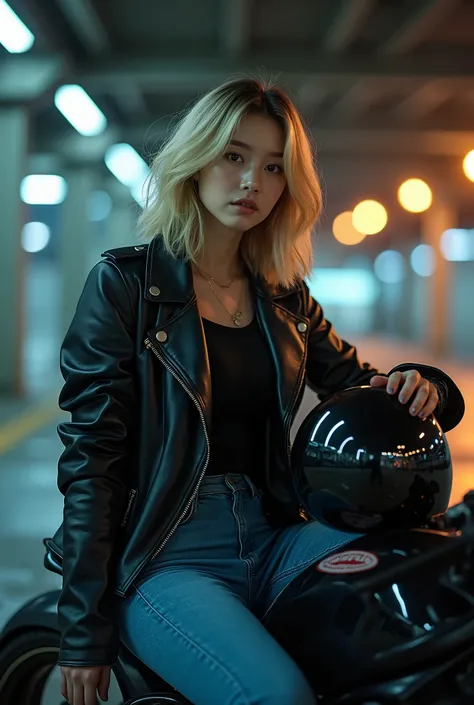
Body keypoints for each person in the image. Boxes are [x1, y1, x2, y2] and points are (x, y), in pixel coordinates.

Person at [56, 76, 462, 705]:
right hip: (169, 555)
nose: (252, 181)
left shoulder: (284, 298)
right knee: (277, 697)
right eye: (234, 156)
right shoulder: (126, 287)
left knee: (426, 591)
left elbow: (362, 385)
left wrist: (423, 385)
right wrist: (83, 628)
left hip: (278, 536)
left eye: (273, 167)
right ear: (197, 163)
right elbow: (93, 462)